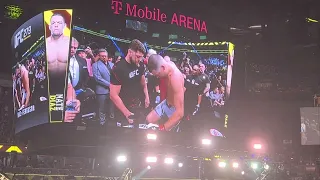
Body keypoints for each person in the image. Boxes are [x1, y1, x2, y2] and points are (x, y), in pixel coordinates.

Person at [110, 39, 149, 127]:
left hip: (137, 105)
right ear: (130, 52)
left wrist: (147, 96)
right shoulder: (119, 68)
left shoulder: (141, 65)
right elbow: (113, 95)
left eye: (141, 57)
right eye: (138, 56)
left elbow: (143, 82)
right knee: (123, 137)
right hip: (123, 108)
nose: (140, 59)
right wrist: (127, 113)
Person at [146, 54, 185, 131]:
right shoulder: (166, 63)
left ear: (163, 68)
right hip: (166, 103)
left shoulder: (175, 78)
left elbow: (180, 113)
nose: (158, 77)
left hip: (174, 109)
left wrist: (163, 128)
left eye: (158, 74)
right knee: (148, 120)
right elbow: (161, 59)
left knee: (164, 135)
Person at [92, 49, 114, 125]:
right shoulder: (95, 65)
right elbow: (98, 78)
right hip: (101, 91)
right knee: (102, 108)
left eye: (105, 56)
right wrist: (110, 85)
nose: (104, 57)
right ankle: (102, 123)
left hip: (112, 91)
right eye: (102, 56)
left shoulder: (112, 64)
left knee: (112, 107)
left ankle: (112, 122)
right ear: (99, 56)